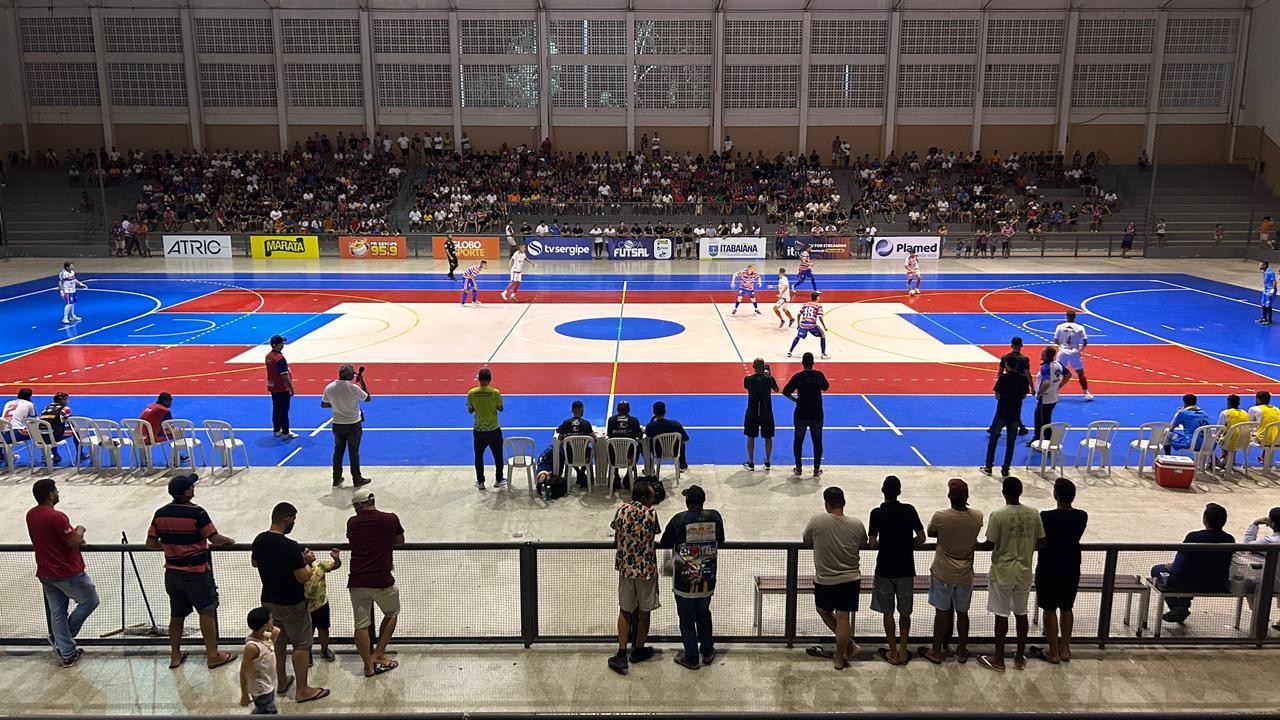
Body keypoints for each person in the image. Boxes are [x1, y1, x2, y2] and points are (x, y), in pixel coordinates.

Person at [145, 473, 237, 671]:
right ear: (187, 493)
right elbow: (214, 538)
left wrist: (171, 547)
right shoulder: (197, 513)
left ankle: (175, 655)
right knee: (206, 611)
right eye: (191, 487)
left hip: (172, 574)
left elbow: (150, 543)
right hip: (196, 573)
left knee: (177, 615)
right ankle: (213, 655)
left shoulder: (160, 513)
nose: (193, 488)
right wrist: (229, 541)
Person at [251, 502, 328, 703]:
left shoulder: (259, 540)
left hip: (269, 601)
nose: (294, 523)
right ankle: (303, 690)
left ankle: (283, 682)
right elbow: (303, 577)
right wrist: (307, 562)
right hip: (292, 603)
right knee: (302, 644)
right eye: (293, 519)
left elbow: (255, 563)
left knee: (279, 642)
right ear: (286, 519)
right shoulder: (289, 545)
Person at [26, 478, 98, 667]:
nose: (58, 493)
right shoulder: (57, 517)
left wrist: (73, 535)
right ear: (50, 494)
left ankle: (68, 653)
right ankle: (63, 638)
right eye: (56, 490)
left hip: (45, 572)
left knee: (57, 612)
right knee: (90, 600)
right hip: (66, 572)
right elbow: (73, 541)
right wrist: (80, 530)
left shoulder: (31, 515)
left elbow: (59, 537)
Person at [978, 476, 1044, 673]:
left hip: (1002, 572)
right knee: (1021, 613)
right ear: (1021, 492)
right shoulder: (1033, 513)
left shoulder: (998, 515)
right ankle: (1019, 656)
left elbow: (989, 543)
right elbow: (1042, 541)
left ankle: (998, 658)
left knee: (1001, 614)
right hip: (1024, 571)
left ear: (1003, 492)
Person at [658, 485, 725, 670]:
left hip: (684, 581)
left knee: (686, 619)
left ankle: (692, 657)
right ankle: (708, 650)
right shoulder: (715, 517)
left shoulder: (679, 520)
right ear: (703, 501)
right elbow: (721, 539)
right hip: (707, 579)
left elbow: (665, 542)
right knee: (704, 614)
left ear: (687, 502)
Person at [919, 478, 983, 665]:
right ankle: (962, 650)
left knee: (942, 612)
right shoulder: (977, 516)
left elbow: (931, 533)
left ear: (949, 496)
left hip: (943, 572)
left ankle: (936, 650)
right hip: (965, 574)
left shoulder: (941, 516)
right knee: (963, 614)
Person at [801, 486, 867, 670]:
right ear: (843, 503)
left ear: (827, 504)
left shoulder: (817, 520)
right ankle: (843, 653)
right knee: (843, 618)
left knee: (824, 611)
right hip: (851, 579)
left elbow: (806, 540)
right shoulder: (857, 523)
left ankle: (847, 649)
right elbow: (863, 543)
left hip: (826, 580)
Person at [347, 487, 405, 677]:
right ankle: (378, 654)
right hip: (382, 580)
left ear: (358, 505)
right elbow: (400, 541)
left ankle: (367, 666)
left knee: (361, 625)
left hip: (357, 581)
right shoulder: (390, 519)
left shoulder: (352, 523)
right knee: (391, 614)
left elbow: (353, 541)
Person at [867, 476, 924, 666]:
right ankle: (903, 650)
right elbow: (922, 537)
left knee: (888, 612)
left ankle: (892, 651)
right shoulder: (909, 510)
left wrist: (887, 544)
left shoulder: (876, 513)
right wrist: (906, 544)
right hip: (906, 568)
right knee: (905, 613)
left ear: (883, 491)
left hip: (885, 568)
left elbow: (873, 543)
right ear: (899, 492)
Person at [1030, 478, 1087, 664]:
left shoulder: (1045, 516)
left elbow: (1039, 539)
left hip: (1049, 566)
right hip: (1071, 566)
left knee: (1048, 608)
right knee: (1067, 607)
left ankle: (1053, 650)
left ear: (1055, 495)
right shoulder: (1081, 516)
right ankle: (1065, 648)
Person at [608, 482, 662, 675]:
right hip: (646, 571)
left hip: (626, 569)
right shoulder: (651, 514)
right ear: (643, 499)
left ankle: (621, 653)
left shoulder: (621, 510)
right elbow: (655, 533)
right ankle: (638, 649)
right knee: (644, 611)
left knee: (625, 610)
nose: (653, 501)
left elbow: (616, 533)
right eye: (651, 497)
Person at [1151, 503, 1234, 623]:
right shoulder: (1229, 539)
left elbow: (1178, 568)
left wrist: (1170, 568)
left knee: (1158, 570)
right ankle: (1181, 605)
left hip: (1190, 583)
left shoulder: (1194, 537)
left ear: (1205, 520)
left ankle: (1179, 606)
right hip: (1217, 582)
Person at [321, 364, 370, 487]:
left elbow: (324, 404)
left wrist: (338, 405)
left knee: (338, 451)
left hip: (337, 424)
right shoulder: (353, 388)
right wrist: (362, 382)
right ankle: (357, 479)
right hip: (353, 424)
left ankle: (336, 478)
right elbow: (367, 398)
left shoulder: (330, 387)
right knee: (354, 452)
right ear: (350, 375)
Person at [783, 351, 829, 477]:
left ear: (802, 363)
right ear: (813, 363)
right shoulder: (819, 375)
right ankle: (816, 469)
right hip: (816, 414)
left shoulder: (798, 377)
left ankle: (798, 468)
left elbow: (786, 392)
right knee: (817, 442)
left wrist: (796, 400)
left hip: (801, 413)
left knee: (798, 441)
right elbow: (826, 387)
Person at [984, 355, 1028, 477]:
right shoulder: (1023, 378)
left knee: (993, 440)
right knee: (1011, 442)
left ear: (1007, 365)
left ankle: (988, 466)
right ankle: (1005, 469)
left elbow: (997, 395)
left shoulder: (1003, 378)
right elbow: (1024, 395)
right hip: (1015, 414)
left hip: (1002, 413)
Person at [466, 367, 505, 489]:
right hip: (493, 429)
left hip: (479, 430)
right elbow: (501, 408)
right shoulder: (495, 393)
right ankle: (498, 479)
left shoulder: (472, 393)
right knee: (498, 455)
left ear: (479, 379)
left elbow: (470, 410)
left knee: (478, 456)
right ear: (490, 379)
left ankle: (481, 481)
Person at [301, 547, 341, 663]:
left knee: (324, 629)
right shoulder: (299, 571)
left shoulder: (320, 565)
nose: (311, 552)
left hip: (322, 604)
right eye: (307, 552)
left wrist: (336, 559)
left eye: (310, 550)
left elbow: (335, 566)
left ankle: (324, 649)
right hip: (306, 608)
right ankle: (308, 653)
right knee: (308, 632)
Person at [240, 607, 279, 715]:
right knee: (269, 711)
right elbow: (243, 671)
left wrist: (272, 632)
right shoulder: (252, 647)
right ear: (265, 625)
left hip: (268, 683)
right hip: (261, 689)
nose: (273, 621)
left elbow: (271, 644)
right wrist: (244, 694)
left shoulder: (265, 638)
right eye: (271, 619)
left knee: (263, 708)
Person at [743, 358, 778, 471]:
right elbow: (777, 390)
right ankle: (767, 462)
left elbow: (747, 387)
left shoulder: (748, 379)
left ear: (753, 366)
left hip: (752, 413)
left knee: (751, 436)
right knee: (768, 437)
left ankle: (751, 462)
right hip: (766, 412)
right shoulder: (769, 379)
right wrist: (768, 376)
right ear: (764, 367)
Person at [1030, 346, 1067, 446]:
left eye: (1042, 352)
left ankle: (1048, 443)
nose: (1040, 354)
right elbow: (1068, 375)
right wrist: (1058, 386)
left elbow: (1046, 383)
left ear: (1046, 355)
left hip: (1045, 398)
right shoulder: (1058, 364)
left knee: (1044, 421)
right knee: (1038, 416)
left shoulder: (1045, 367)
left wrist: (1039, 393)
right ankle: (1037, 438)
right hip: (1053, 396)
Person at [1053, 310, 1093, 400]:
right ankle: (1086, 392)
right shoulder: (1080, 328)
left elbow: (1056, 340)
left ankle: (1054, 392)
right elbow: (1085, 342)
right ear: (1075, 317)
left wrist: (1061, 347)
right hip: (1074, 352)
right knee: (1080, 373)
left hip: (1062, 352)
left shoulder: (1059, 327)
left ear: (1066, 316)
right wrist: (1080, 351)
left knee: (1057, 373)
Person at [997, 336, 1033, 436]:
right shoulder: (1024, 359)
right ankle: (1020, 427)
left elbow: (999, 374)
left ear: (1011, 345)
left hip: (1007, 386)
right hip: (1020, 387)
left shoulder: (1005, 358)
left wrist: (1000, 384)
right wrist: (1031, 387)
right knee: (1016, 408)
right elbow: (1028, 374)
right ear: (1021, 345)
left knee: (1001, 407)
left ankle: (996, 428)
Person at [556, 400, 595, 487]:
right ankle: (581, 473)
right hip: (584, 456)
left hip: (570, 456)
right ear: (582, 410)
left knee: (564, 450)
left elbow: (559, 438)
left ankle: (578, 472)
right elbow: (594, 439)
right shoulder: (586, 424)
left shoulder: (566, 423)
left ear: (572, 410)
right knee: (589, 451)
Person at [265, 335, 297, 440]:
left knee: (276, 409)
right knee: (283, 410)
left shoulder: (268, 356)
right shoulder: (280, 359)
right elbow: (284, 375)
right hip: (281, 388)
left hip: (273, 386)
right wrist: (291, 387)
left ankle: (277, 430)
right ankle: (285, 432)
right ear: (278, 345)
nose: (283, 344)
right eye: (282, 343)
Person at [606, 400, 643, 488]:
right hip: (630, 457)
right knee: (638, 448)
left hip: (614, 457)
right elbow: (639, 435)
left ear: (617, 409)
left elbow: (609, 434)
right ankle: (627, 477)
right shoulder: (634, 420)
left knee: (611, 448)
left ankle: (616, 476)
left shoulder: (611, 420)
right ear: (629, 410)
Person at [645, 401, 689, 471]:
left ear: (654, 412)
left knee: (645, 444)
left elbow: (647, 437)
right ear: (665, 411)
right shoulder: (675, 424)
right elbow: (686, 438)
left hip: (657, 452)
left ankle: (649, 468)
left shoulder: (650, 426)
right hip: (674, 451)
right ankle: (682, 465)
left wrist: (651, 421)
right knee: (681, 442)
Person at [788, 291, 829, 359]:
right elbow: (820, 316)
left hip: (803, 324)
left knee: (798, 336)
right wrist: (824, 326)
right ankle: (823, 354)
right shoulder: (818, 306)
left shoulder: (805, 304)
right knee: (822, 336)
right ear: (817, 298)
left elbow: (798, 314)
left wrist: (798, 324)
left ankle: (790, 351)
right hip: (812, 325)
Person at [1217, 394, 1251, 465]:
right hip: (1244, 441)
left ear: (1228, 403)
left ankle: (1224, 457)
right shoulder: (1245, 413)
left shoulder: (1225, 413)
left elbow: (1219, 428)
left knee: (1220, 435)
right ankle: (1230, 459)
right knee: (1235, 433)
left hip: (1230, 441)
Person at [1260, 261, 1276, 325]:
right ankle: (1264, 318)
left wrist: (1272, 290)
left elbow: (1274, 281)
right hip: (1265, 290)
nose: (1259, 266)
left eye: (1260, 265)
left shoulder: (1270, 272)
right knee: (1263, 303)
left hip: (1270, 290)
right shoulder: (1264, 272)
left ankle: (1269, 320)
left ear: (1264, 265)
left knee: (1268, 304)